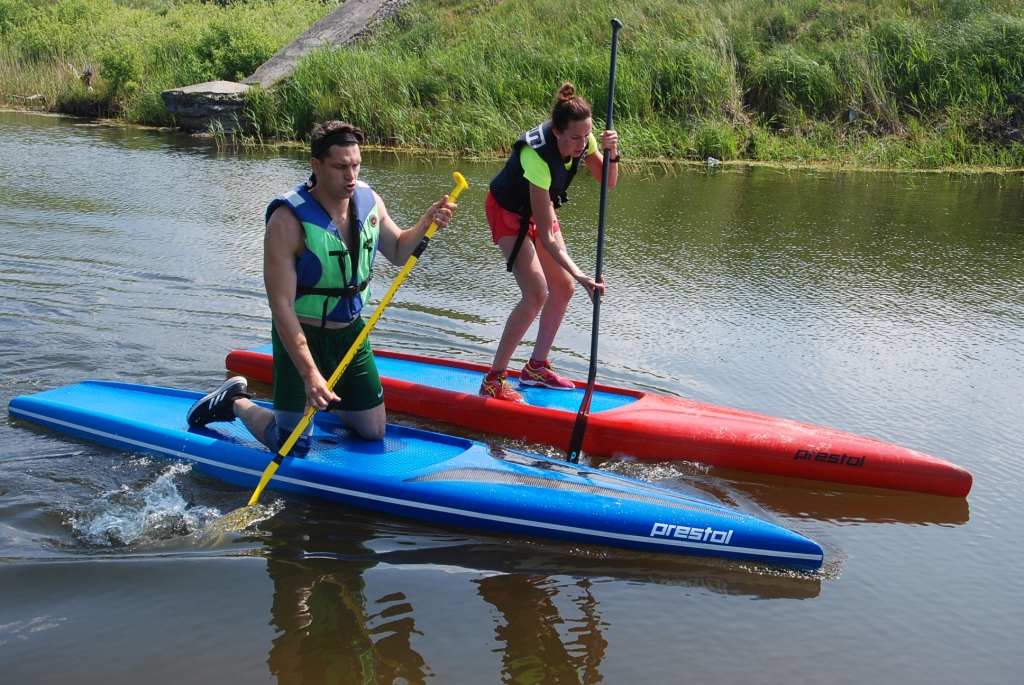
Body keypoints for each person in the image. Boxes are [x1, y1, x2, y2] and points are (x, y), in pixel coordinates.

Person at [187, 120, 457, 455]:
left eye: (356, 165)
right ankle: (236, 401)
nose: (351, 176)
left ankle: (323, 402)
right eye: (340, 167)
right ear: (316, 166)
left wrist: (425, 224)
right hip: (301, 337)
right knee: (291, 444)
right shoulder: (287, 221)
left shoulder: (370, 201)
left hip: (350, 336)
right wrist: (310, 374)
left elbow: (400, 251)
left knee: (373, 431)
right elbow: (281, 307)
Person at [480, 82, 619, 403]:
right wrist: (582, 274)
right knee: (536, 292)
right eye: (575, 138)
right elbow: (547, 235)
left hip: (538, 211)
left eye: (587, 137)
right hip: (507, 212)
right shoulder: (536, 157)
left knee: (564, 288)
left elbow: (608, 183)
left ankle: (536, 368)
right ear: (557, 132)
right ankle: (494, 379)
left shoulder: (582, 138)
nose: (582, 144)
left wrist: (612, 153)